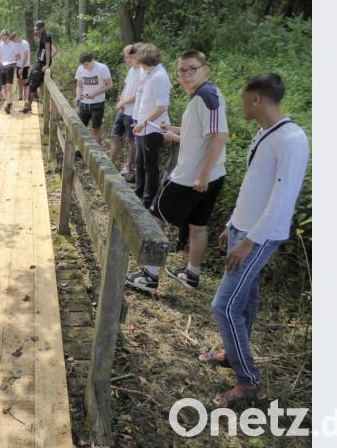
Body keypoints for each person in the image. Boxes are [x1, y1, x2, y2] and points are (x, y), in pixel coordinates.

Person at [206, 73, 309, 408]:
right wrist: (231, 224)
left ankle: (250, 386)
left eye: (243, 97)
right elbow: (253, 187)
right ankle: (233, 353)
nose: (240, 103)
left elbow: (281, 199)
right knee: (245, 302)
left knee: (224, 305)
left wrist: (249, 240)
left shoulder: (290, 140)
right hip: (243, 229)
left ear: (256, 99)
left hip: (259, 236)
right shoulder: (265, 134)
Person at [125, 51, 229, 294]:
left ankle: (149, 276)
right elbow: (200, 133)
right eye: (181, 71)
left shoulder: (207, 97)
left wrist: (201, 174)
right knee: (198, 226)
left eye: (191, 69)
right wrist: (173, 131)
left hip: (190, 177)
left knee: (155, 217)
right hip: (212, 175)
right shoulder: (207, 94)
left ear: (205, 69)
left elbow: (219, 136)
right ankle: (191, 274)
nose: (185, 75)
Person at [131, 43, 171, 208]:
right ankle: (139, 191)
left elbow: (162, 106)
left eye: (141, 63)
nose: (139, 65)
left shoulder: (158, 77)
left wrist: (144, 123)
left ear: (148, 63)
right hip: (143, 125)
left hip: (152, 128)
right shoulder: (149, 72)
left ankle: (149, 200)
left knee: (150, 165)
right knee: (140, 161)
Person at [109, 44, 142, 181]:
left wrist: (124, 103)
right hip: (123, 110)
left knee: (130, 140)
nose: (126, 59)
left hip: (133, 112)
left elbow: (138, 95)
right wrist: (121, 102)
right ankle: (111, 161)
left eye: (128, 56)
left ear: (136, 55)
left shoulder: (142, 72)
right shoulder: (131, 71)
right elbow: (126, 88)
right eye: (125, 57)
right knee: (114, 135)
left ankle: (128, 166)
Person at [74, 52, 113, 145]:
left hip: (97, 104)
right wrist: (78, 97)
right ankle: (79, 150)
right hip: (84, 103)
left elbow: (110, 85)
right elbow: (79, 86)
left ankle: (98, 154)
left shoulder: (102, 68)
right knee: (80, 128)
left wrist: (95, 93)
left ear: (92, 61)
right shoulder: (80, 69)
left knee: (96, 129)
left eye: (86, 65)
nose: (84, 67)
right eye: (82, 65)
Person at [23, 20, 53, 114]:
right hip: (39, 62)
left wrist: (47, 65)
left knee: (33, 84)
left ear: (43, 28)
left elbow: (48, 50)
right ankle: (27, 103)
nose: (37, 31)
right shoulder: (40, 35)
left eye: (39, 29)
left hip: (42, 63)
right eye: (36, 29)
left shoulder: (47, 36)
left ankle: (28, 105)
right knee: (28, 81)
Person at [0, 29, 21, 114]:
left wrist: (13, 59)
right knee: (4, 87)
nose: (3, 38)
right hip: (2, 66)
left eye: (4, 36)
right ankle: (9, 102)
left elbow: (18, 56)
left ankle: (8, 105)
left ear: (7, 36)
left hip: (10, 65)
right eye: (2, 36)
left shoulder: (13, 45)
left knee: (9, 87)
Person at [14, 31, 30, 101]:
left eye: (17, 36)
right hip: (19, 65)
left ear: (20, 36)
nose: (16, 38)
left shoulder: (25, 43)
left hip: (25, 65)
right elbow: (18, 56)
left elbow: (26, 56)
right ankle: (20, 96)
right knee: (19, 81)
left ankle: (25, 96)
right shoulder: (16, 44)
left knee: (24, 81)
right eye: (15, 37)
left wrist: (22, 68)